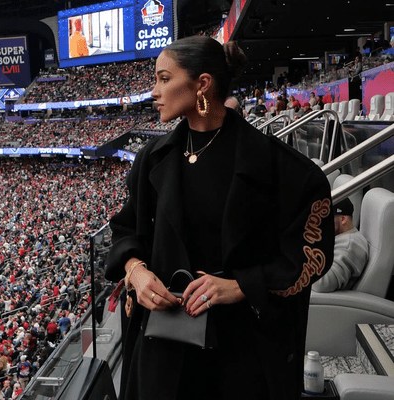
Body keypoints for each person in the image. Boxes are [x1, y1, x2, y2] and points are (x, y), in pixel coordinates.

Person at [106, 35, 334, 400]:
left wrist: (240, 285)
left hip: (241, 354)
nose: (154, 91)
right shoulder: (153, 158)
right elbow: (125, 230)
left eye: (164, 79)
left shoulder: (277, 166)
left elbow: (307, 256)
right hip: (164, 350)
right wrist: (136, 270)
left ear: (202, 84)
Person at [313, 198, 368, 293]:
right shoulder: (337, 236)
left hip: (325, 303)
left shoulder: (349, 245)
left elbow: (321, 284)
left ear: (343, 219)